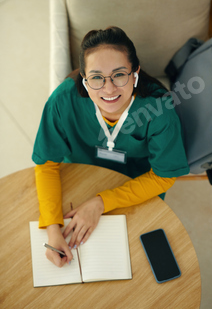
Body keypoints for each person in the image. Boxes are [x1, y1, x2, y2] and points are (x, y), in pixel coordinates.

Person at [32, 26, 189, 267]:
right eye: (96, 77)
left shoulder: (160, 110)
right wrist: (53, 229)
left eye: (119, 74)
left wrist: (100, 202)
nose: (108, 89)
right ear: (84, 81)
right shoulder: (62, 101)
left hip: (137, 186)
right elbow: (46, 165)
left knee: (134, 264)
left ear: (135, 72)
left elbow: (163, 177)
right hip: (81, 178)